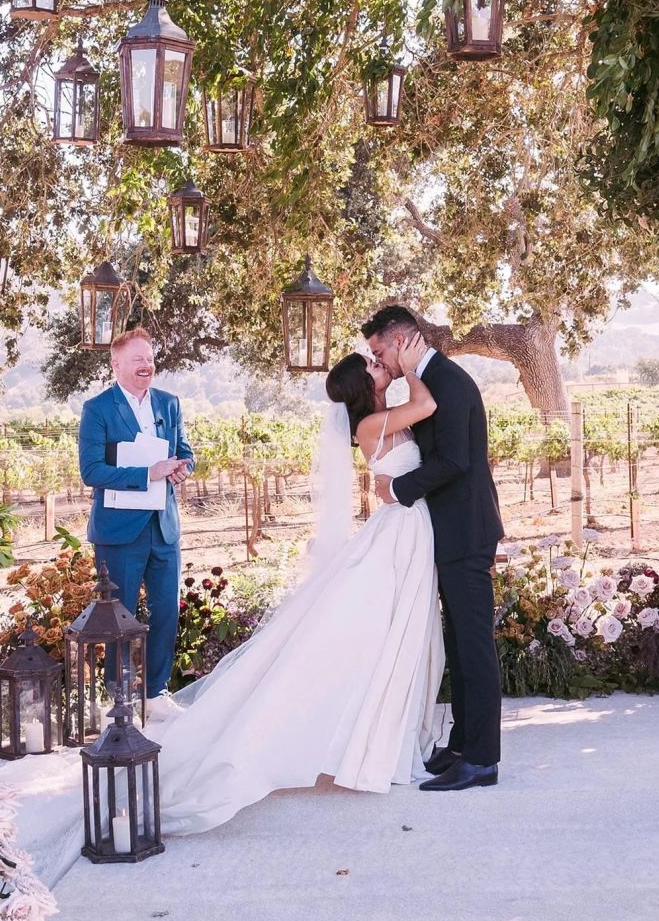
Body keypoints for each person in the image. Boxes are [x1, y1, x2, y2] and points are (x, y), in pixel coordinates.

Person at [146, 338, 445, 833]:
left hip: (409, 527)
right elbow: (428, 404)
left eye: (377, 360)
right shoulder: (371, 425)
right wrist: (411, 366)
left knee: (401, 630)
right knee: (384, 630)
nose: (380, 365)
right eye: (372, 365)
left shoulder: (383, 416)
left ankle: (387, 730)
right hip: (400, 532)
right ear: (362, 385)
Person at [363, 303, 504, 792]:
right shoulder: (428, 381)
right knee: (461, 647)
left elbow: (454, 461)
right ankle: (462, 745)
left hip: (467, 531)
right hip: (448, 533)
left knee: (475, 648)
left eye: (380, 351)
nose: (379, 361)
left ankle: (482, 761)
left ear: (400, 341)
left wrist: (397, 490)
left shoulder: (449, 382)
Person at [77, 328, 194, 695]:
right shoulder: (97, 409)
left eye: (150, 358)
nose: (147, 365)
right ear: (116, 364)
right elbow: (91, 471)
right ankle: (119, 696)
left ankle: (156, 691)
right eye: (138, 359)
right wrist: (147, 474)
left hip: (164, 527)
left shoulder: (169, 403)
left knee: (167, 612)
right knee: (119, 614)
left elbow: (186, 452)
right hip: (119, 530)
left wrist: (183, 468)